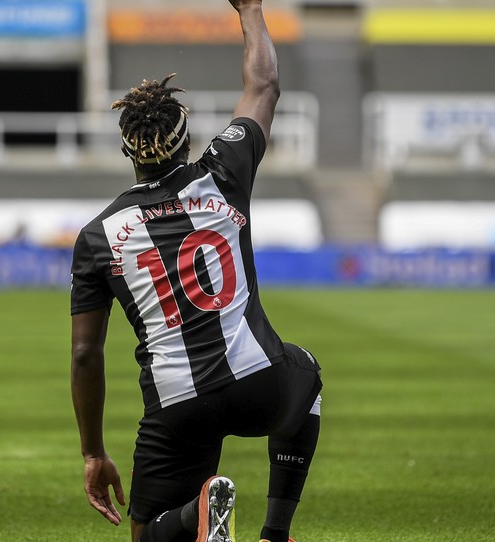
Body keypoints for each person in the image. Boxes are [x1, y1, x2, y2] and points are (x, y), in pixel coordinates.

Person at [70, 1, 322, 541]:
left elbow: (86, 354)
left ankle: (196, 513)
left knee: (148, 534)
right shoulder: (224, 173)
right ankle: (276, 533)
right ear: (186, 139)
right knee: (307, 371)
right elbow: (264, 85)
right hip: (261, 386)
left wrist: (93, 451)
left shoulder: (98, 235)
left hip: (177, 405)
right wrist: (250, 9)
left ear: (126, 151)